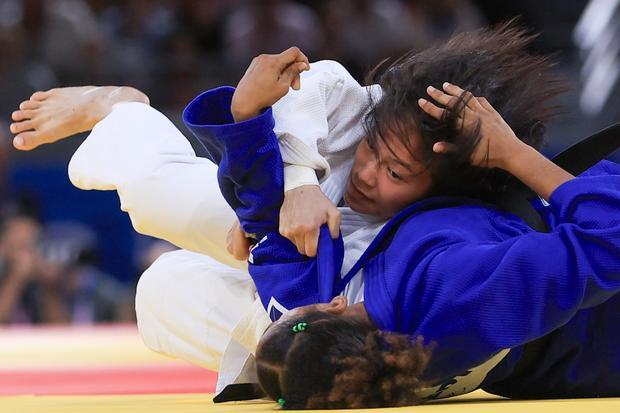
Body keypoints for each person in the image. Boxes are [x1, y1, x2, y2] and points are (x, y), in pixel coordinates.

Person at [10, 24, 620, 408]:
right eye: (378, 155)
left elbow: (269, 238)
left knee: (161, 289)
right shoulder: (454, 287)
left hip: (382, 278)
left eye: (394, 168)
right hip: (535, 317)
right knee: (167, 204)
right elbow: (606, 243)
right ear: (330, 310)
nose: (368, 170)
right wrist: (516, 155)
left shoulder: (307, 294)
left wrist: (249, 123)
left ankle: (125, 117)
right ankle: (124, 112)